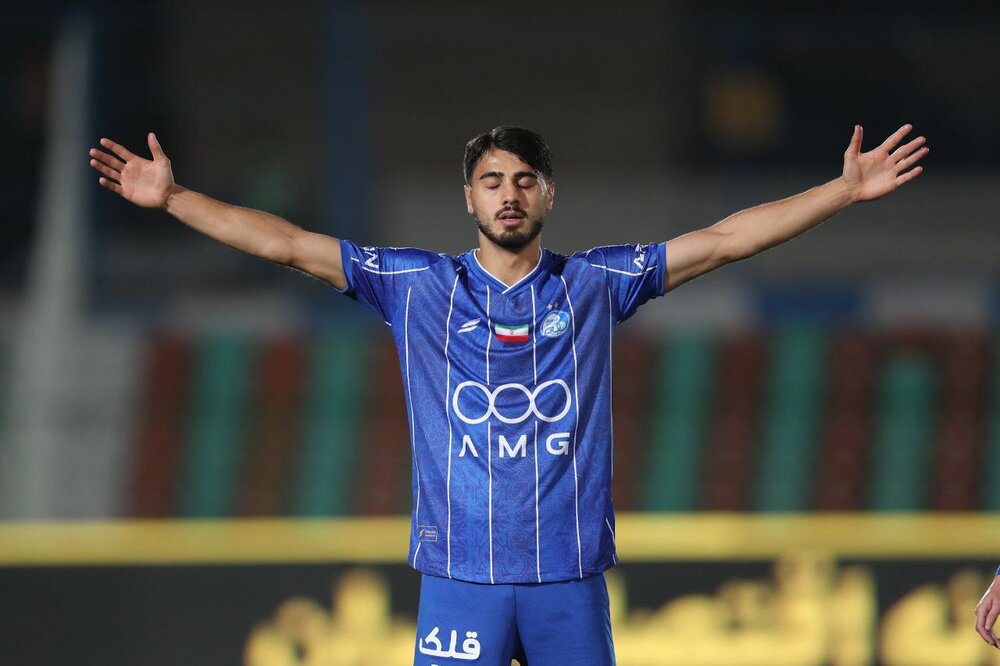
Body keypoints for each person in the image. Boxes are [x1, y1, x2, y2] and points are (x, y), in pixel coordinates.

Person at [91, 123, 928, 665]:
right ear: (469, 197)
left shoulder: (594, 284)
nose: (509, 194)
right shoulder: (416, 287)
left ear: (548, 194)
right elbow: (286, 243)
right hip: (462, 578)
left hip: (569, 581)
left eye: (526, 179)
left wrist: (843, 191)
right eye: (492, 180)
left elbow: (722, 242)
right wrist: (174, 198)